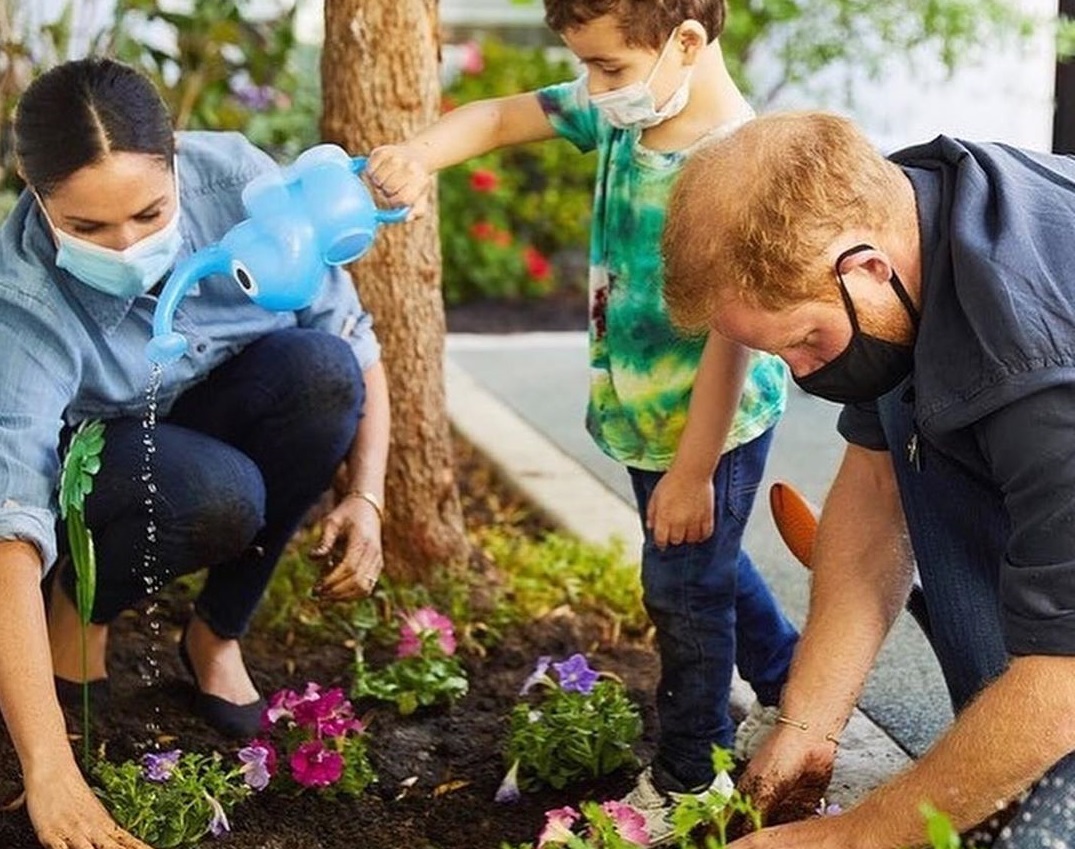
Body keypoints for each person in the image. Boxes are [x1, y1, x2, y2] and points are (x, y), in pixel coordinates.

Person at [367, 0, 798, 840]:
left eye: (607, 69)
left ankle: (689, 778)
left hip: (713, 424)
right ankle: (791, 679)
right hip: (645, 416)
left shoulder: (737, 167)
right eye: (587, 68)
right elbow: (496, 116)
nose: (593, 89)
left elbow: (732, 343)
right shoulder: (623, 111)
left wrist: (692, 471)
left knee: (681, 585)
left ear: (685, 42)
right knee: (700, 561)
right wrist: (418, 154)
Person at [0, 58, 390, 849]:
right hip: (107, 463)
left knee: (319, 373)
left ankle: (217, 631)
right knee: (217, 492)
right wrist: (47, 767)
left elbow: (353, 341)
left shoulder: (243, 187)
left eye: (148, 212)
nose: (125, 244)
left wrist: (369, 495)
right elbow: (11, 525)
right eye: (87, 227)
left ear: (177, 161)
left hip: (223, 406)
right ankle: (83, 603)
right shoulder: (24, 300)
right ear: (33, 190)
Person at [662, 109, 1075, 847]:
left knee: (1034, 825)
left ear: (866, 269)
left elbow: (1068, 678)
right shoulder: (901, 222)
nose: (802, 373)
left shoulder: (1034, 364)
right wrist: (807, 727)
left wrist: (852, 836)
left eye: (803, 343)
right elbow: (876, 488)